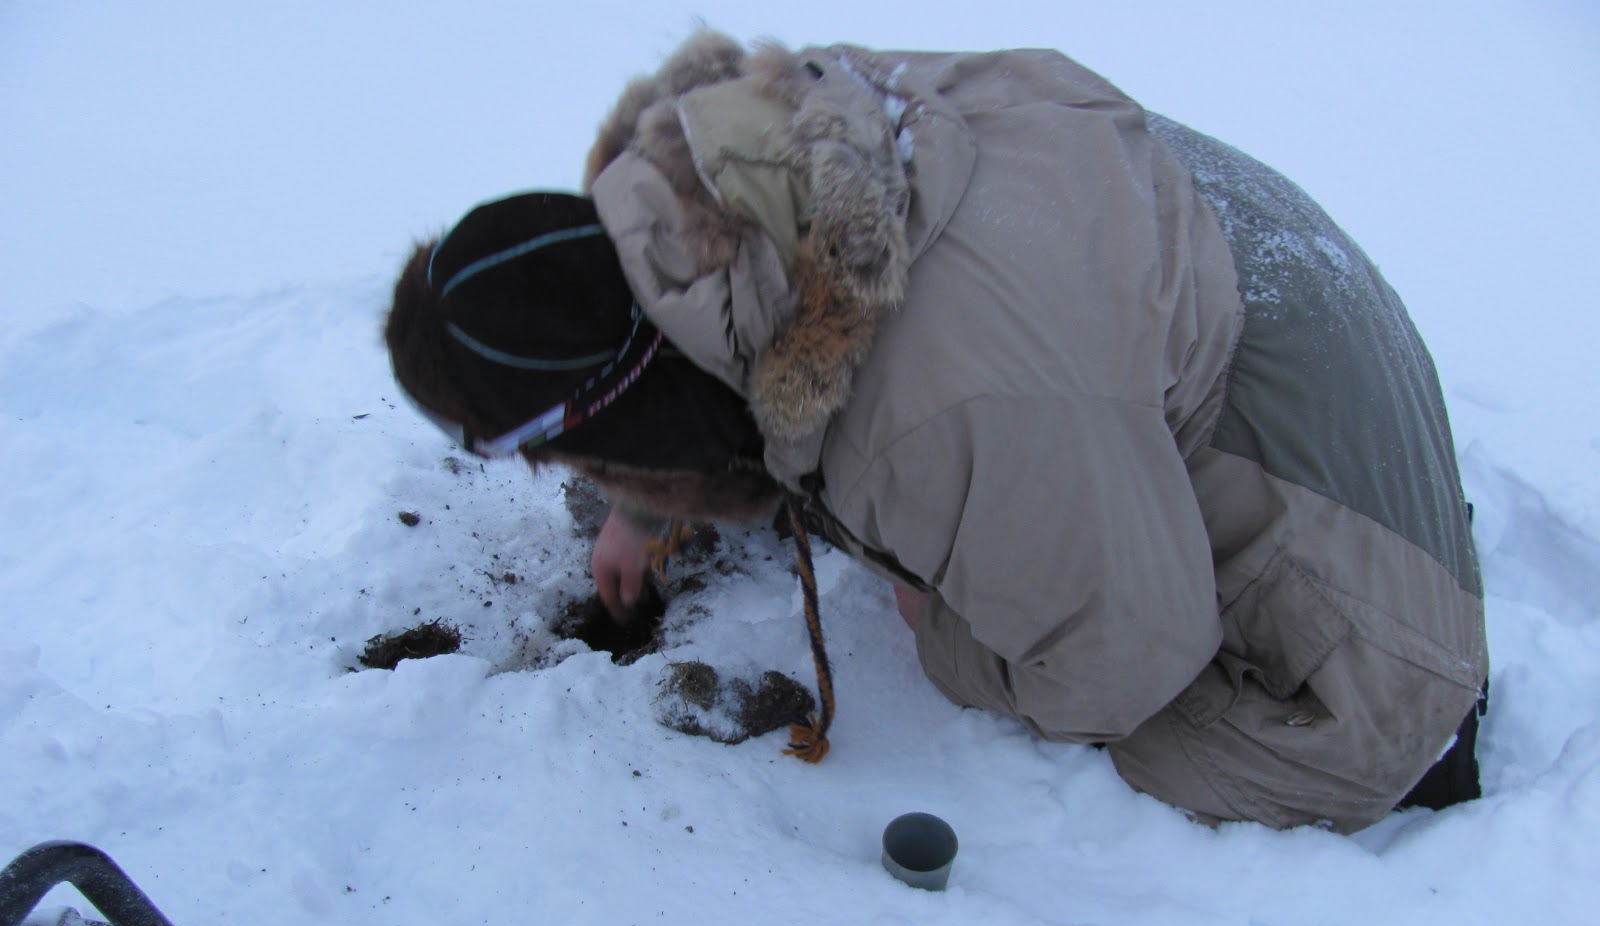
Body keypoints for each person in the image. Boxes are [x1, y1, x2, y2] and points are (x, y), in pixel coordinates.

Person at [384, 31, 1488, 832]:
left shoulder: (934, 418)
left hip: (1341, 493)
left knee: (1304, 746)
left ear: (599, 408)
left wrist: (938, 629)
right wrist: (640, 502)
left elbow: (1123, 663)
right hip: (1181, 240)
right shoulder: (731, 165)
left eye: (530, 445)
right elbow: (682, 323)